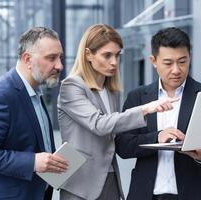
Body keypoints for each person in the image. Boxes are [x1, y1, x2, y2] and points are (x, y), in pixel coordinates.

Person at [57, 24, 179, 200]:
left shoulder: (110, 90)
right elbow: (99, 124)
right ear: (88, 54)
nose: (114, 62)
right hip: (81, 183)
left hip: (110, 176)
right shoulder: (72, 86)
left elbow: (117, 131)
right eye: (107, 55)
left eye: (117, 55)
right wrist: (146, 108)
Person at [115, 27, 201, 200]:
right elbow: (123, 145)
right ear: (153, 61)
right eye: (168, 63)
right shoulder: (138, 97)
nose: (176, 70)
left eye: (182, 61)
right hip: (147, 194)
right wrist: (157, 137)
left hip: (197, 193)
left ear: (189, 58)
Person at [0, 27, 69, 200]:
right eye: (51, 58)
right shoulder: (1, 96)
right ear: (27, 59)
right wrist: (33, 162)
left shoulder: (35, 92)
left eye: (60, 58)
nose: (59, 66)